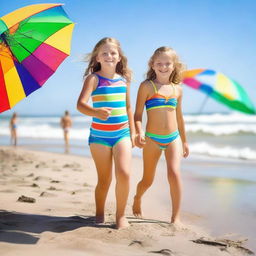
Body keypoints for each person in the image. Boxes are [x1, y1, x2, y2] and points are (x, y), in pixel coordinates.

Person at [77, 37, 135, 229]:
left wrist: (133, 133)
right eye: (104, 53)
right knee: (104, 179)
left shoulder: (124, 81)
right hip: (99, 137)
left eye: (113, 53)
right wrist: (96, 112)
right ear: (97, 58)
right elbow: (81, 105)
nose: (109, 56)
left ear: (119, 58)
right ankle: (99, 212)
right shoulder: (93, 79)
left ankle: (120, 216)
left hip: (122, 134)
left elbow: (128, 108)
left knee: (124, 174)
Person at [132, 46, 189, 225]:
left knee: (174, 174)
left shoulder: (177, 89)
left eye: (167, 63)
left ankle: (175, 217)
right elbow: (137, 115)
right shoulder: (146, 86)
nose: (163, 67)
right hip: (152, 139)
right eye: (159, 63)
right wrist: (139, 131)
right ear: (152, 64)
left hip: (173, 138)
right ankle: (137, 198)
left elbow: (179, 117)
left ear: (174, 66)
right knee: (147, 180)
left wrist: (185, 142)